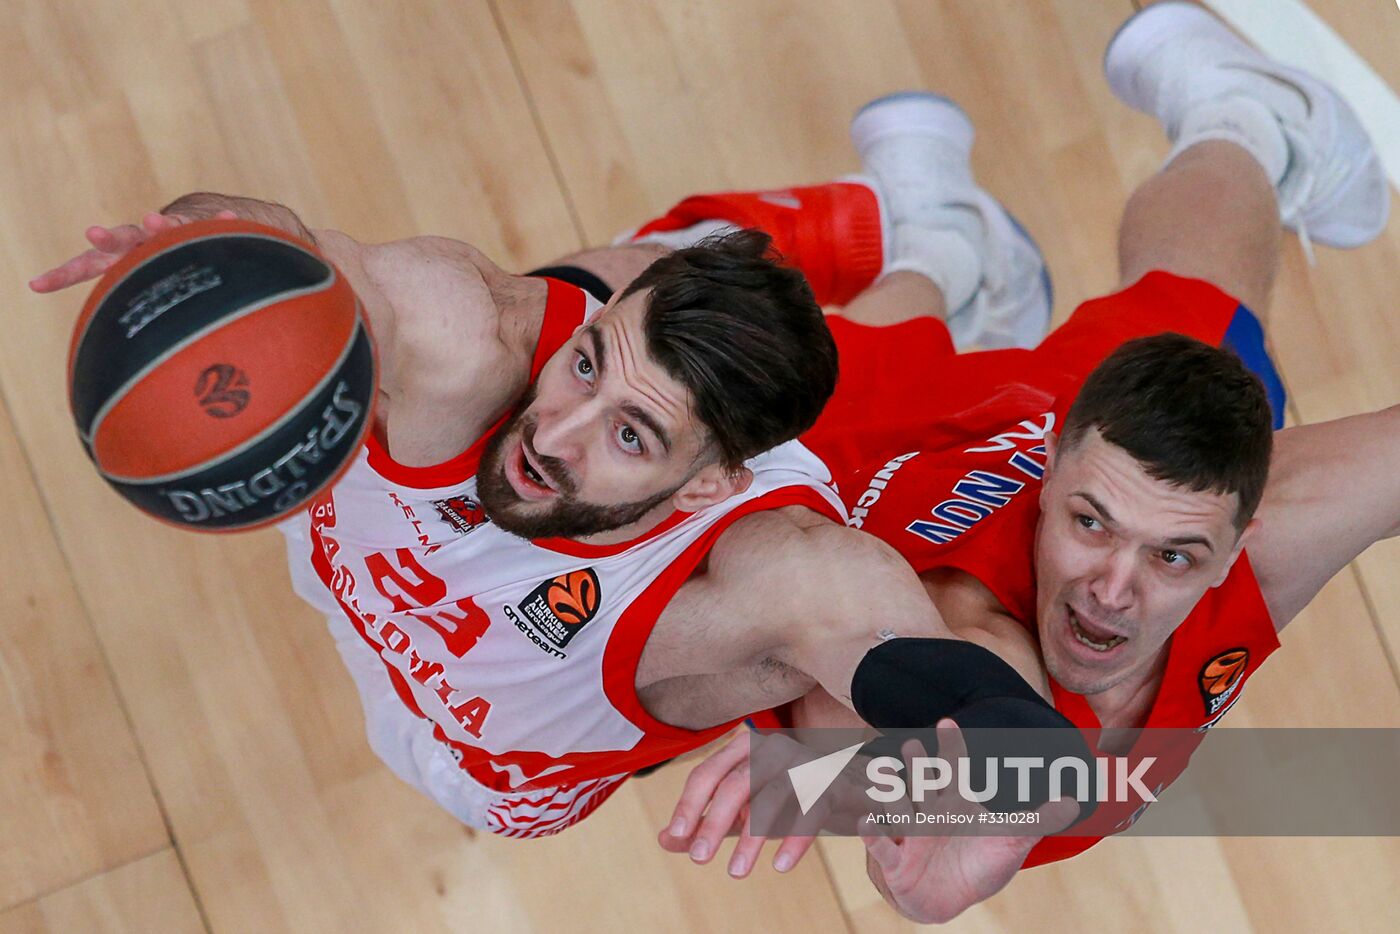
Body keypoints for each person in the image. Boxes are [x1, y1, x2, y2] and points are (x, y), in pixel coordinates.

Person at [32, 82, 1079, 836]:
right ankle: (756, 249)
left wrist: (831, 782)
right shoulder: (462, 336)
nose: (553, 437)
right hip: (378, 606)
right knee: (567, 290)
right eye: (585, 367)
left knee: (893, 353)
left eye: (629, 433)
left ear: (717, 478)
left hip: (486, 767)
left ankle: (942, 240)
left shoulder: (774, 576)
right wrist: (201, 239)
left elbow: (1027, 761)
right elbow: (297, 248)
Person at [657, 2, 1393, 923]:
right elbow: (965, 683)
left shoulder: (1280, 525)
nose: (1113, 590)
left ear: (1240, 540)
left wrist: (855, 803)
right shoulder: (931, 657)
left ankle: (977, 224)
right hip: (904, 441)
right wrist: (860, 793)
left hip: (893, 452)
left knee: (1205, 310)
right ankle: (1216, 135)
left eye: (1173, 556)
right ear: (1051, 474)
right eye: (1091, 525)